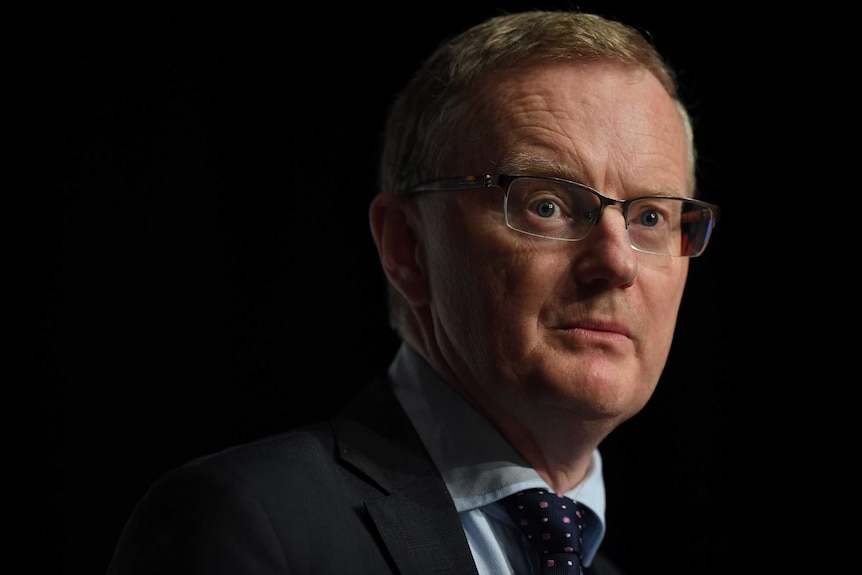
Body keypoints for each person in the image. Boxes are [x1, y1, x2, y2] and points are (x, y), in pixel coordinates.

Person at [107, 9, 720, 574]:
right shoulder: (249, 523)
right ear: (406, 245)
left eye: (650, 219)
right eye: (548, 204)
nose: (616, 263)